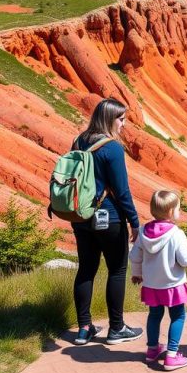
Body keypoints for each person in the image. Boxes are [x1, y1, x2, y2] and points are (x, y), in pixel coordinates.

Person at [70, 98, 143, 346]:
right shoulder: (112, 148)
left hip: (81, 218)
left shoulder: (79, 141)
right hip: (109, 217)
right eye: (121, 119)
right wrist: (134, 222)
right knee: (117, 270)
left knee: (86, 270)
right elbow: (122, 191)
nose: (124, 124)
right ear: (110, 119)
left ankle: (84, 329)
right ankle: (116, 329)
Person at [129, 190, 187, 371]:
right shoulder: (176, 234)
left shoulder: (143, 232)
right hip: (173, 285)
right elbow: (186, 260)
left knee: (154, 316)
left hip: (152, 285)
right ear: (171, 211)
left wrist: (137, 274)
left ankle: (152, 350)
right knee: (178, 316)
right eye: (178, 208)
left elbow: (134, 256)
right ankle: (172, 356)